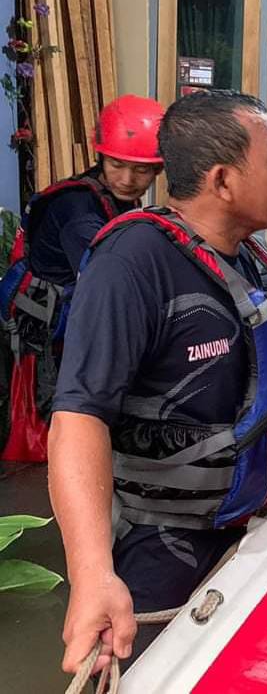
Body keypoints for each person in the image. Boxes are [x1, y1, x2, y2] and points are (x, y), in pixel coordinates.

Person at [48, 90, 267, 675]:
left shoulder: (245, 256)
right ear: (223, 180)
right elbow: (77, 415)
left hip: (249, 522)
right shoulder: (133, 263)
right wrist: (92, 572)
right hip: (163, 541)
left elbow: (250, 363)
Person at [0, 95, 165, 460]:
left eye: (141, 170)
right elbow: (109, 278)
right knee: (60, 429)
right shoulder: (78, 209)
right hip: (46, 334)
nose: (128, 179)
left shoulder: (109, 197)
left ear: (157, 169)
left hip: (65, 319)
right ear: (101, 156)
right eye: (117, 165)